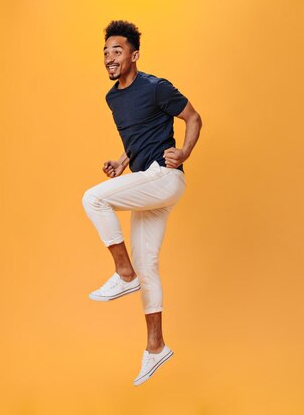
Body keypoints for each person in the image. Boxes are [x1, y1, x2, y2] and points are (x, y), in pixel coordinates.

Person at [82, 20, 202, 386]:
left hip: (164, 177)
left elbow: (193, 118)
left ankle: (122, 273)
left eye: (116, 51)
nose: (109, 58)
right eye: (105, 52)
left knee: (93, 199)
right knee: (148, 264)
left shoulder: (155, 87)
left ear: (134, 55)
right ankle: (156, 347)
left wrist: (183, 152)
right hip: (147, 182)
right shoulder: (113, 98)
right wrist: (121, 161)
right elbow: (139, 134)